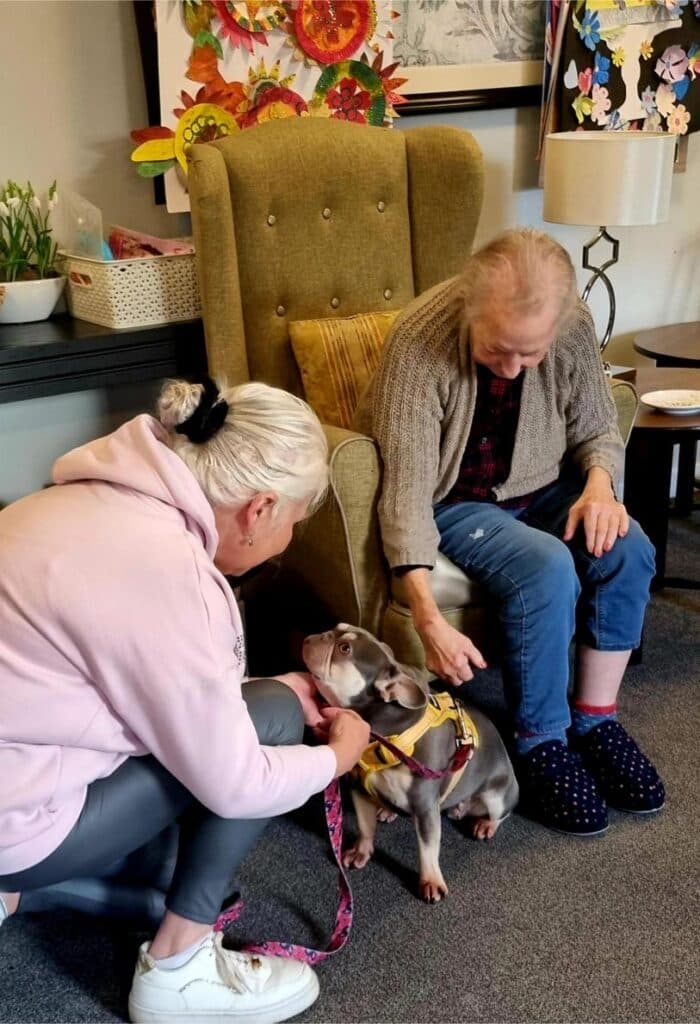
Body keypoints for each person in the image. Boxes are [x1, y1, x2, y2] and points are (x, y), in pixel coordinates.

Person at [0, 376, 370, 1024]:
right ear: (259, 509)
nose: (288, 538)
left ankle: (29, 894)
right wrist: (340, 757)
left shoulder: (78, 499)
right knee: (275, 720)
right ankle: (179, 968)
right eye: (294, 521)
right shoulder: (173, 574)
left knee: (251, 723)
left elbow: (138, 668)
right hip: (15, 818)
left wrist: (250, 690)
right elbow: (238, 786)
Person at [353, 227, 664, 838]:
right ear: (470, 307)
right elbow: (408, 493)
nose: (515, 366)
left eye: (532, 352)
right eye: (499, 349)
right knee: (546, 566)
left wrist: (599, 487)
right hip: (457, 502)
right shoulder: (418, 343)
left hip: (544, 485)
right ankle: (541, 742)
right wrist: (426, 616)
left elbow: (598, 425)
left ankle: (595, 720)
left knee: (629, 546)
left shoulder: (570, 325)